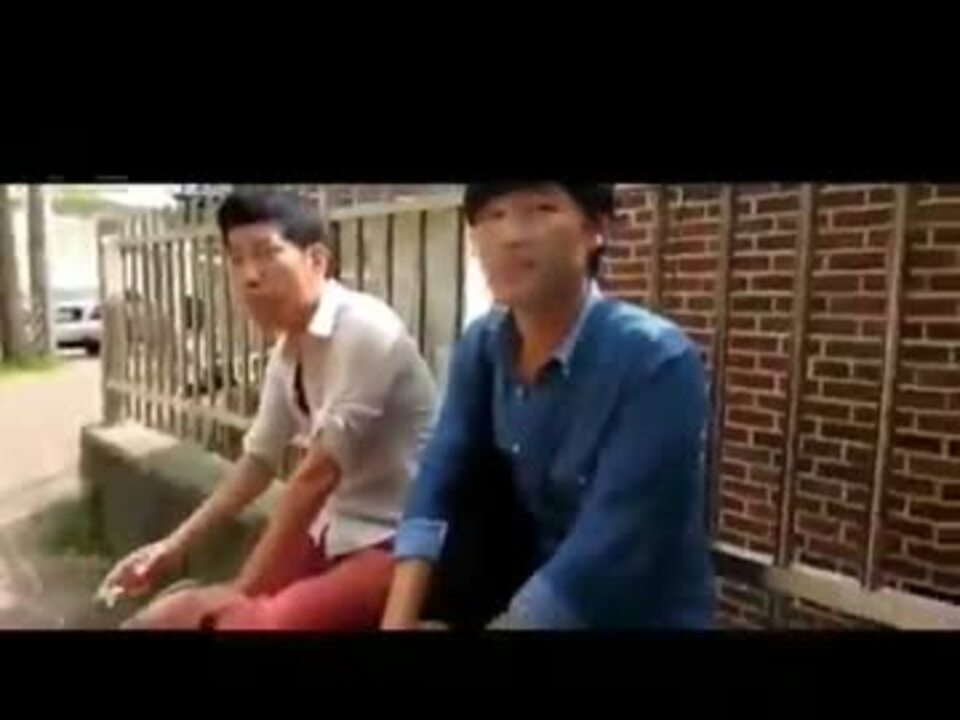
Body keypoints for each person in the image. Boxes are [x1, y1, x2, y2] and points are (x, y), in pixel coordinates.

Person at [381, 182, 715, 630]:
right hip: (521, 594)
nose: (511, 235)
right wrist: (397, 620)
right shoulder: (482, 344)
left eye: (541, 209)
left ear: (595, 229)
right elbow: (439, 477)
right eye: (493, 216)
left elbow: (608, 549)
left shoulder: (656, 360)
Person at [98, 191, 437, 630]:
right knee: (168, 616)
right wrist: (172, 547)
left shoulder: (364, 328)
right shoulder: (288, 352)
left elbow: (315, 478)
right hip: (334, 534)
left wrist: (239, 593)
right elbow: (258, 462)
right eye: (236, 259)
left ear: (317, 260)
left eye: (266, 254)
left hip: (398, 544)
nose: (249, 277)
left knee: (242, 621)